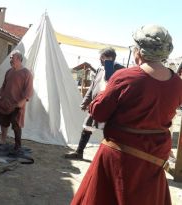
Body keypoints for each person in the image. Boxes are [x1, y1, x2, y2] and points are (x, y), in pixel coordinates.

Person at [71, 25, 182, 205]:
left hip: (119, 159)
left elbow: (98, 113)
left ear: (139, 50)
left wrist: (105, 91)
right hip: (152, 162)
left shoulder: (126, 76)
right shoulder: (177, 83)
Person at [64, 47, 124, 159]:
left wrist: (109, 66)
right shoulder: (100, 69)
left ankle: (105, 158)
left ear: (111, 58)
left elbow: (111, 80)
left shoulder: (120, 70)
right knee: (87, 127)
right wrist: (85, 101)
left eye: (104, 58)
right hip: (96, 104)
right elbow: (93, 86)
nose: (101, 60)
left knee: (108, 131)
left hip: (110, 106)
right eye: (101, 58)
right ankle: (79, 152)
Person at [0, 50, 33, 152]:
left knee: (16, 124)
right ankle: (3, 140)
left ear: (19, 59)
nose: (10, 60)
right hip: (5, 102)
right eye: (10, 58)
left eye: (12, 58)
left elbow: (28, 90)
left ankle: (18, 145)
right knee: (3, 122)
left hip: (17, 104)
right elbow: (3, 86)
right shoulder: (8, 72)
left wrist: (23, 100)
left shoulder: (26, 73)